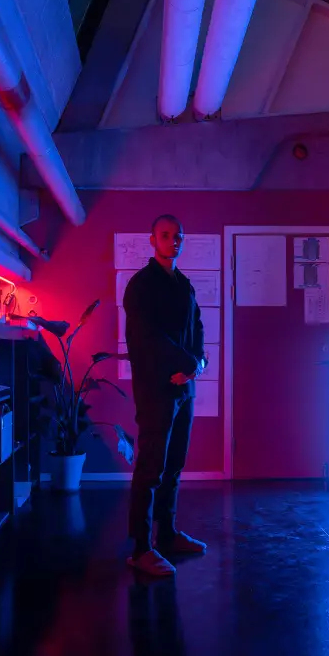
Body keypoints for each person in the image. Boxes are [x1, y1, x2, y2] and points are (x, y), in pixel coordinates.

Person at [123, 215, 208, 576]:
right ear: (152, 239)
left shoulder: (184, 284)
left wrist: (197, 364)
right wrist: (185, 362)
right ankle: (141, 548)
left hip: (184, 387)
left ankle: (167, 536)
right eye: (166, 236)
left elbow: (197, 327)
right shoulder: (141, 285)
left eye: (178, 236)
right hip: (157, 388)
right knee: (151, 468)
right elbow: (147, 337)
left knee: (174, 466)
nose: (173, 241)